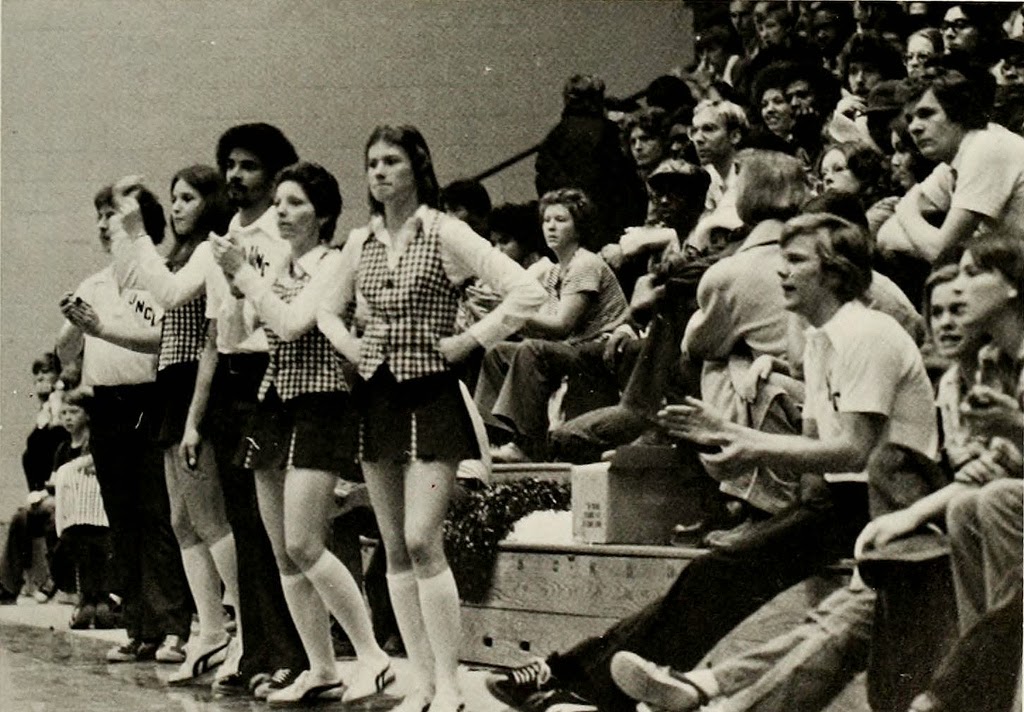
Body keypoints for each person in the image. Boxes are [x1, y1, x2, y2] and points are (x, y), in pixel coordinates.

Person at [487, 212, 937, 712]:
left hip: (895, 501)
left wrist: (745, 442)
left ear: (833, 272)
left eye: (795, 261)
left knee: (721, 571)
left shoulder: (866, 334)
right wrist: (731, 449)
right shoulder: (818, 339)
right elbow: (815, 453)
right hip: (843, 499)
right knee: (716, 572)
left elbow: (856, 449)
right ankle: (577, 673)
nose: (781, 273)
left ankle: (579, 676)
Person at [606, 263, 993, 712]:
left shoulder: (981, 374)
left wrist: (906, 519)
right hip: (928, 532)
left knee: (852, 615)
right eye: (939, 311)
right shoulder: (949, 381)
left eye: (959, 309)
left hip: (965, 538)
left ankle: (715, 690)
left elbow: (879, 458)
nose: (947, 322)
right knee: (845, 615)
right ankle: (710, 687)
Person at [315, 124, 545, 712]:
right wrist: (354, 348)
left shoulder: (446, 232)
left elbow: (525, 291)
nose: (379, 172)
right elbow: (324, 311)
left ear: (417, 167)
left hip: (432, 396)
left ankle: (448, 681)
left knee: (422, 539)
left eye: (391, 161)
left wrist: (471, 338)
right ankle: (419, 680)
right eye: (371, 163)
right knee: (392, 545)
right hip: (377, 397)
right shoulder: (360, 241)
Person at [214, 160, 393, 705]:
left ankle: (372, 657)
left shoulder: (333, 264)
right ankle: (321, 668)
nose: (282, 213)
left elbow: (294, 325)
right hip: (273, 406)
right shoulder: (274, 269)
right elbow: (233, 336)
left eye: (295, 203)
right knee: (282, 553)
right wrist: (234, 287)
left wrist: (245, 276)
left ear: (325, 215)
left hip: (319, 406)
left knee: (304, 542)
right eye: (280, 204)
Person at [153, 123, 309, 697]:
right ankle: (255, 649)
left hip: (278, 376)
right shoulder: (224, 238)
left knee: (280, 534)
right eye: (231, 165)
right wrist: (197, 418)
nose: (237, 176)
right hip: (233, 385)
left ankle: (297, 653)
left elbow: (279, 320)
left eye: (248, 165)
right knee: (245, 528)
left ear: (273, 173)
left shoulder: (280, 232)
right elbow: (221, 333)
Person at [108, 166, 241, 684]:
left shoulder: (211, 250)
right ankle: (207, 629)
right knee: (183, 523)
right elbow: (147, 290)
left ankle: (240, 624)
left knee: (210, 520)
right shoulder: (179, 256)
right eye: (174, 199)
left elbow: (178, 308)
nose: (178, 206)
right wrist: (128, 233)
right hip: (169, 386)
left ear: (209, 201)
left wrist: (137, 231)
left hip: (195, 389)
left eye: (187, 197)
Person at [56, 185, 192, 665]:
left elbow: (164, 340)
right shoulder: (93, 283)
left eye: (110, 214)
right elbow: (65, 352)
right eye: (97, 214)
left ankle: (175, 628)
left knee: (159, 518)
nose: (101, 223)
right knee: (123, 521)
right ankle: (138, 628)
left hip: (148, 402)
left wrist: (102, 329)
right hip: (106, 408)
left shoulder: (157, 277)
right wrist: (75, 325)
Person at [475, 188, 629, 463]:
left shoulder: (586, 263)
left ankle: (526, 443)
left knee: (531, 351)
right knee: (498, 353)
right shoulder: (556, 271)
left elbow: (561, 325)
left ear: (578, 226)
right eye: (547, 220)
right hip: (575, 350)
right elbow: (540, 325)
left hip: (600, 351)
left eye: (561, 220)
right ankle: (494, 437)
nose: (551, 227)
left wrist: (507, 314)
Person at [880, 66, 1024, 263]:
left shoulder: (986, 147)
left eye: (926, 113)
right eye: (909, 119)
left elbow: (941, 253)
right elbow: (886, 237)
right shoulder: (954, 161)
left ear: (958, 113)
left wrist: (906, 211)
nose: (914, 127)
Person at [535, 73, 640, 247]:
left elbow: (543, 179)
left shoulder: (554, 137)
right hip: (607, 224)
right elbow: (624, 184)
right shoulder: (608, 132)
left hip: (568, 224)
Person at [0, 353, 69, 602]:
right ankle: (7, 586)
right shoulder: (43, 415)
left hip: (67, 491)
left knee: (52, 517)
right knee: (20, 519)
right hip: (43, 491)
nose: (40, 377)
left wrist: (57, 397)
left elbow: (60, 447)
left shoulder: (62, 412)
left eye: (46, 372)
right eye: (37, 374)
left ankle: (56, 578)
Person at [50, 388, 114, 631]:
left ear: (87, 415)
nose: (67, 418)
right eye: (63, 413)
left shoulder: (95, 446)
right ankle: (86, 596)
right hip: (75, 517)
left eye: (73, 412)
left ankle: (103, 598)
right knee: (75, 542)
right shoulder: (63, 450)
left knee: (96, 543)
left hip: (99, 516)